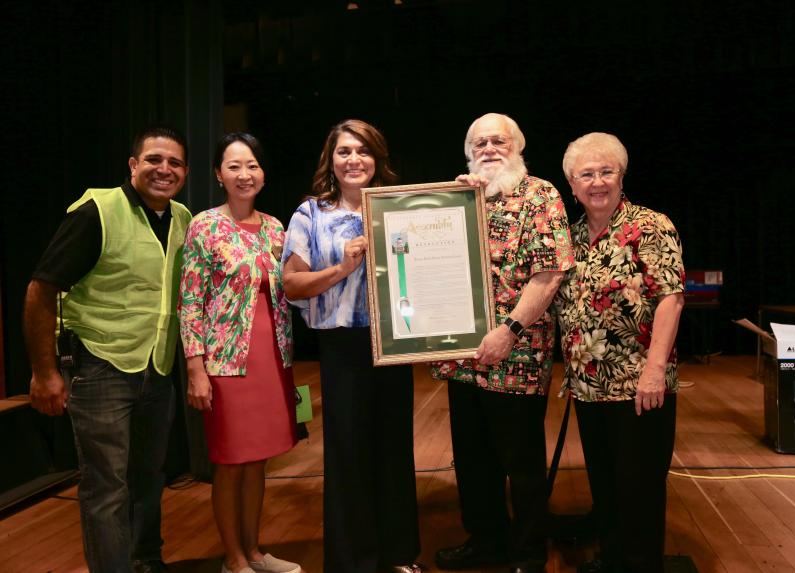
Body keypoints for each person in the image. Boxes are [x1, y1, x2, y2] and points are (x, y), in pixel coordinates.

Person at [23, 126, 192, 573]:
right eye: (154, 159)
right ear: (133, 165)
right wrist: (45, 373)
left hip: (157, 367)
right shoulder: (98, 209)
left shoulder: (183, 219)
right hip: (99, 368)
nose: (164, 169)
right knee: (106, 487)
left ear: (186, 173)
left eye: (175, 163)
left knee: (148, 478)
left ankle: (146, 560)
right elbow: (41, 290)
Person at [431, 113, 574, 573]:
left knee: (522, 462)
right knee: (472, 460)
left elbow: (550, 274)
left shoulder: (540, 195)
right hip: (463, 355)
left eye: (499, 141)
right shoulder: (460, 197)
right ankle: (486, 541)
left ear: (518, 147)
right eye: (480, 142)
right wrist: (448, 204)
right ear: (469, 151)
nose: (489, 148)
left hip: (517, 353)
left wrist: (507, 330)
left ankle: (529, 550)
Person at [281, 119, 422, 573]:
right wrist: (341, 269)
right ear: (331, 160)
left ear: (377, 158)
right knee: (348, 453)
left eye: (362, 150)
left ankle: (400, 555)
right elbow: (291, 285)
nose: (353, 159)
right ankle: (353, 562)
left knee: (395, 449)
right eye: (344, 151)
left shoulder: (402, 209)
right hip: (342, 347)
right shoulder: (311, 215)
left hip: (396, 343)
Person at [556, 132, 685, 573]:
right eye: (585, 174)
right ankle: (613, 559)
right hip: (589, 387)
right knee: (606, 485)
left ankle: (639, 564)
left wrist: (653, 371)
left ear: (621, 176)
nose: (597, 182)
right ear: (571, 184)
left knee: (640, 487)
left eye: (606, 171)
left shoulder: (650, 226)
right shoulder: (569, 238)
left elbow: (670, 298)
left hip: (638, 385)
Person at [178, 133, 301, 573]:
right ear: (218, 174)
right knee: (231, 462)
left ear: (263, 174)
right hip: (225, 363)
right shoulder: (204, 226)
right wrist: (196, 368)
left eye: (251, 165)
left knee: (258, 460)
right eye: (233, 166)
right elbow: (190, 301)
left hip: (273, 359)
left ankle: (254, 551)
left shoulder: (275, 228)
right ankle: (233, 559)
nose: (243, 174)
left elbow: (294, 288)